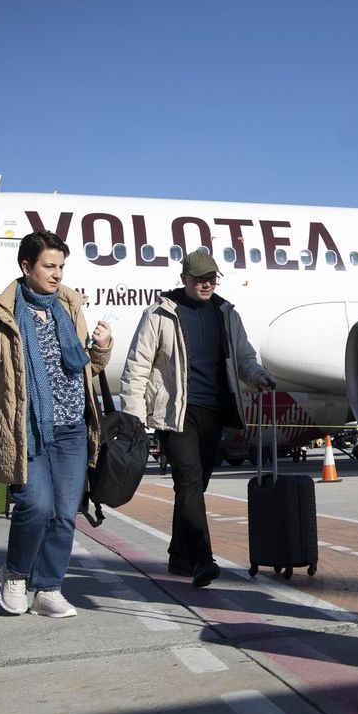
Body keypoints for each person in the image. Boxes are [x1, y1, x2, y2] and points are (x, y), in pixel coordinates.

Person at [0, 232, 112, 618]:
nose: (56, 275)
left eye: (61, 267)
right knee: (36, 506)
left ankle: (48, 587)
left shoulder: (69, 307)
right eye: (48, 266)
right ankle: (16, 575)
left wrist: (101, 348)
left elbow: (82, 370)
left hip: (71, 429)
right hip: (25, 431)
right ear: (25, 267)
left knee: (65, 513)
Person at [120, 250, 276, 587]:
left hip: (214, 411)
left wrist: (258, 376)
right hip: (176, 413)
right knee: (189, 481)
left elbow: (244, 356)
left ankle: (179, 555)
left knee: (194, 486)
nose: (206, 284)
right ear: (183, 279)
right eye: (199, 279)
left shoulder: (225, 313)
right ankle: (203, 559)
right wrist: (134, 416)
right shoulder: (161, 314)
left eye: (211, 278)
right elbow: (137, 367)